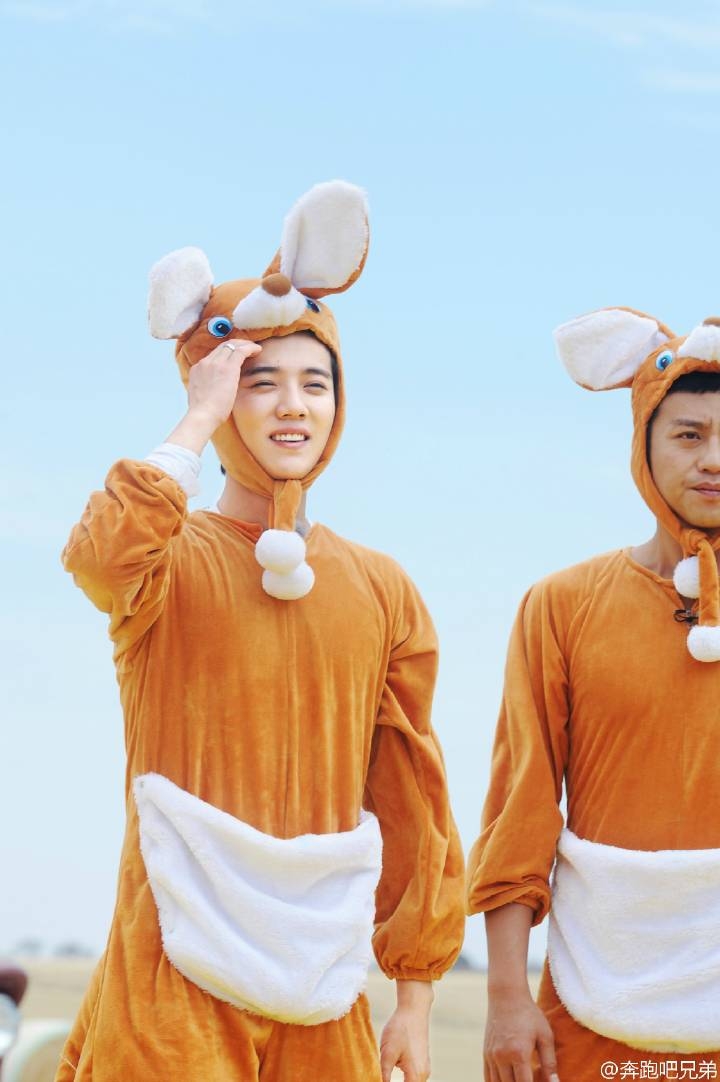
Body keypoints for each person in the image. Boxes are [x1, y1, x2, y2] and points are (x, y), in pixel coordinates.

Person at [56, 181, 465, 1082]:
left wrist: (415, 995)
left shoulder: (382, 587)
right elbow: (99, 558)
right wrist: (195, 415)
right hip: (172, 968)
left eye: (315, 384)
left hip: (323, 981)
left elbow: (411, 789)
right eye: (257, 382)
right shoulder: (168, 558)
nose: (292, 406)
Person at [467, 306, 720, 1081]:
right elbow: (521, 806)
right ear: (643, 443)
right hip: (593, 1005)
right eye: (688, 435)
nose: (713, 459)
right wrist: (505, 997)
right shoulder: (563, 605)